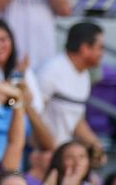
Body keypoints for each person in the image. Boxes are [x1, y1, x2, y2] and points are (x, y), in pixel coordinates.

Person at [37, 21, 104, 149]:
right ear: (84, 48)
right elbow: (32, 114)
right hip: (42, 152)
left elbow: (76, 119)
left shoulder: (84, 74)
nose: (102, 53)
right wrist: (48, 146)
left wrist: (96, 146)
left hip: (62, 153)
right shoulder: (51, 70)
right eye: (100, 47)